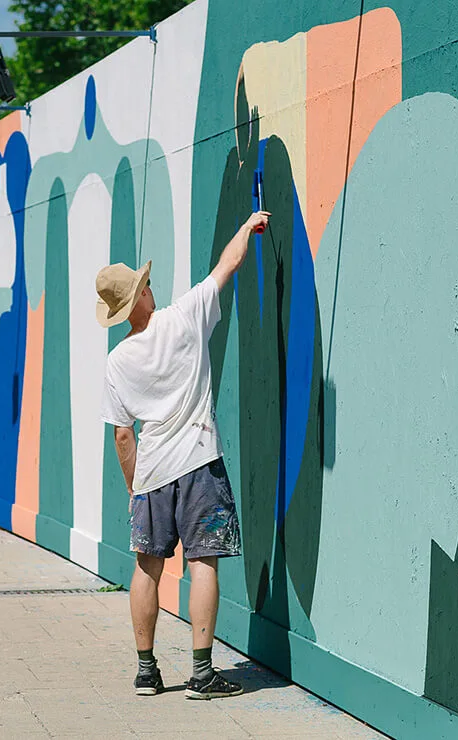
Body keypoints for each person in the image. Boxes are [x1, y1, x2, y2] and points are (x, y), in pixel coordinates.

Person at [97, 210, 271, 701]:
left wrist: (136, 487)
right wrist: (248, 226)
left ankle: (147, 672)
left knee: (146, 569)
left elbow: (123, 437)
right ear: (143, 294)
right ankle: (200, 674)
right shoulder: (185, 317)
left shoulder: (117, 361)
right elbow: (227, 266)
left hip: (151, 474)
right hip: (198, 464)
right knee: (204, 566)